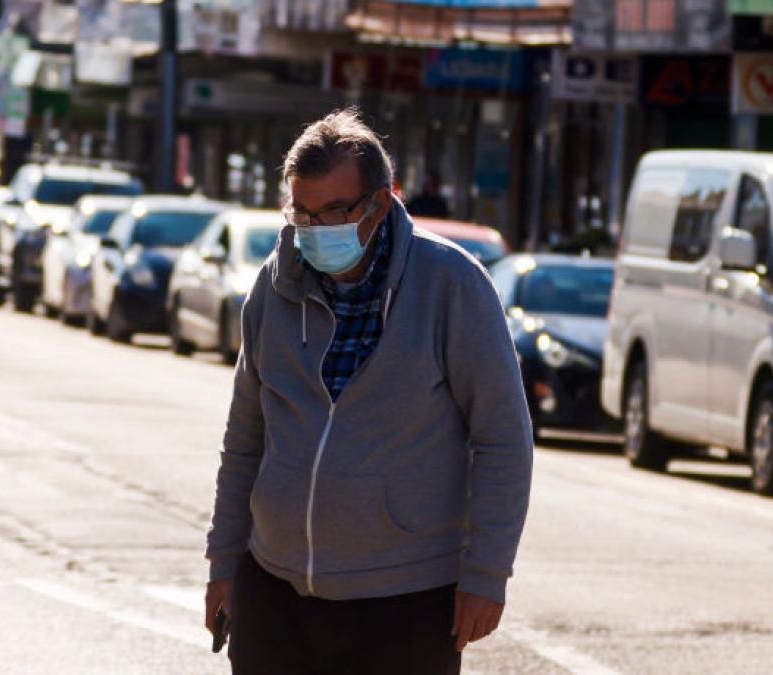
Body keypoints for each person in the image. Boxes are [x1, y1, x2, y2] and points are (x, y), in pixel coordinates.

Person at [204, 109, 534, 674]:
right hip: (275, 591)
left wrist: (486, 575)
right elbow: (246, 438)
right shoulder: (274, 284)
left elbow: (503, 438)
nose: (315, 229)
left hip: (405, 601)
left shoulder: (452, 285)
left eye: (334, 211)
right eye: (302, 213)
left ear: (379, 204)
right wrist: (224, 562)